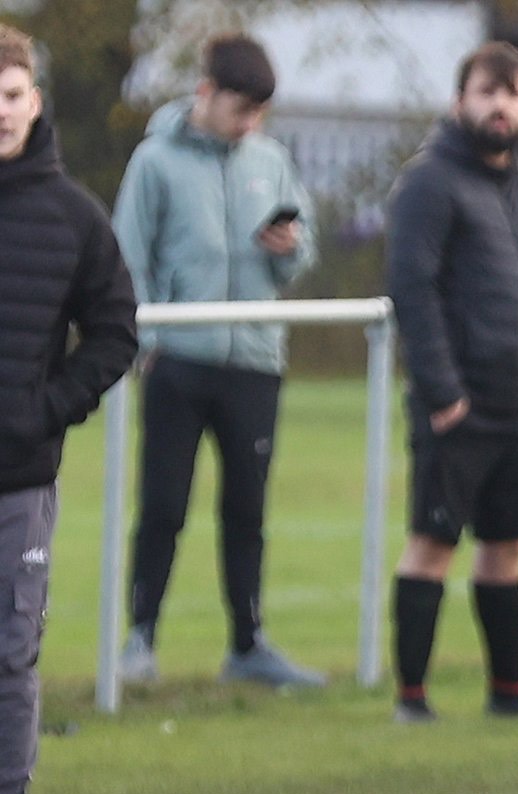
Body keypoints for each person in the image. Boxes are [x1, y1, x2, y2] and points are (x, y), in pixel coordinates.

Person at [383, 42, 518, 723]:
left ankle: (508, 691)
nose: (499, 105)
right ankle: (411, 697)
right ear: (459, 101)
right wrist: (442, 394)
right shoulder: (427, 184)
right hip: (460, 410)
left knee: (506, 549)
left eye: (513, 93)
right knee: (434, 543)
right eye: (485, 91)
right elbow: (413, 291)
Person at [111, 33, 323, 688]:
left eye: (260, 111)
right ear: (206, 94)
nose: (250, 124)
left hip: (255, 361)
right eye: (241, 109)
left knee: (246, 511)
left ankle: (248, 644)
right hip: (179, 360)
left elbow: (301, 255)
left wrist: (287, 245)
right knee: (164, 505)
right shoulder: (154, 162)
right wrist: (147, 344)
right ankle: (139, 640)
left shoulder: (271, 159)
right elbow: (130, 258)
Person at [0, 23, 140, 794]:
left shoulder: (73, 215)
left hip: (17, 479)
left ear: (34, 100)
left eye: (9, 97)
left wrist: (43, 412)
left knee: (8, 652)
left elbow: (115, 332)